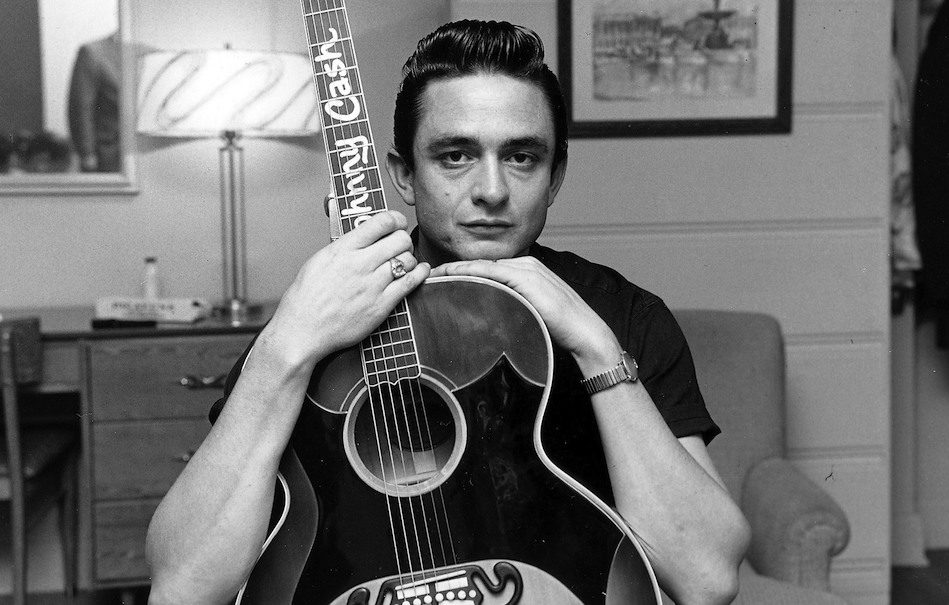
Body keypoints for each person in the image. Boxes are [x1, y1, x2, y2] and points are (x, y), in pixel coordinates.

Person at [146, 19, 749, 604]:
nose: (492, 190)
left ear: (556, 176)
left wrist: (594, 345)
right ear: (404, 176)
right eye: (455, 155)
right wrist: (285, 348)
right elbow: (183, 587)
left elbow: (708, 579)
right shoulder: (316, 321)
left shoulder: (619, 313)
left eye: (522, 157)